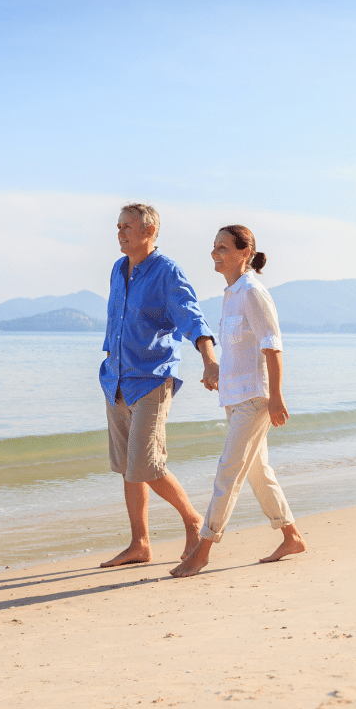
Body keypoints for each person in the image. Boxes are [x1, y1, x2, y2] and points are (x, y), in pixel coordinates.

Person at [170, 224, 306, 578]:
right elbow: (239, 350)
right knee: (258, 472)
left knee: (227, 472)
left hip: (255, 398)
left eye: (224, 248)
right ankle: (291, 536)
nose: (216, 253)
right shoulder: (231, 294)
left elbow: (272, 346)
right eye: (214, 247)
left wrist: (275, 397)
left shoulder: (252, 293)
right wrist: (216, 371)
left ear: (246, 252)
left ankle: (203, 550)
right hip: (235, 396)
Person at [99, 203, 218, 568]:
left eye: (128, 227)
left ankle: (194, 520)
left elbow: (191, 317)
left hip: (152, 379)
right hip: (116, 379)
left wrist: (210, 359)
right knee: (127, 467)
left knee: (146, 465)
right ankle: (140, 544)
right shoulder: (119, 270)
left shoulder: (167, 272)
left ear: (149, 232)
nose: (121, 233)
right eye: (118, 227)